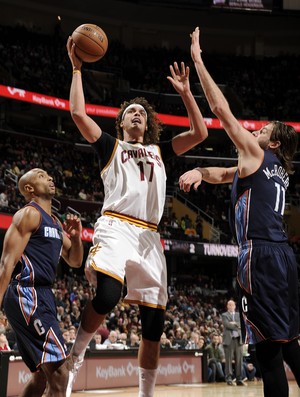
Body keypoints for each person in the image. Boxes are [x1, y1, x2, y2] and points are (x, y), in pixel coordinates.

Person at [66, 33, 208, 397]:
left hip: (149, 236)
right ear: (121, 122)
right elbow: (78, 113)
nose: (137, 114)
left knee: (153, 324)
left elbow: (200, 132)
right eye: (131, 111)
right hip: (116, 226)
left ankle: (146, 394)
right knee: (109, 293)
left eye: (143, 113)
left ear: (148, 126)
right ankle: (75, 358)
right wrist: (77, 69)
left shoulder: (161, 151)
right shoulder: (111, 147)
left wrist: (187, 94)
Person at [179, 26, 300, 397]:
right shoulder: (273, 168)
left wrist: (198, 59)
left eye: (263, 129)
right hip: (284, 257)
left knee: (266, 352)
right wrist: (200, 171)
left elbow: (220, 109)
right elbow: (224, 174)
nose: (256, 130)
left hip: (259, 255)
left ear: (273, 141)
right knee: (290, 344)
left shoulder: (258, 153)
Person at [0, 168, 83, 397]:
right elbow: (6, 264)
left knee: (40, 377)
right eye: (41, 175)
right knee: (60, 372)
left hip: (42, 296)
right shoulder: (29, 214)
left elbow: (75, 261)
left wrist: (76, 238)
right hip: (26, 293)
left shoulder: (55, 222)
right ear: (29, 188)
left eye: (49, 175)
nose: (49, 177)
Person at [221, 300, 244, 385]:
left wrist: (235, 324)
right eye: (229, 305)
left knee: (239, 360)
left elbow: (242, 324)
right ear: (227, 306)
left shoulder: (239, 315)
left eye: (232, 305)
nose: (230, 306)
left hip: (238, 340)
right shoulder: (224, 315)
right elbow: (227, 325)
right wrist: (236, 325)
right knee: (229, 360)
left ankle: (239, 379)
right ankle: (229, 378)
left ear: (235, 306)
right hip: (229, 340)